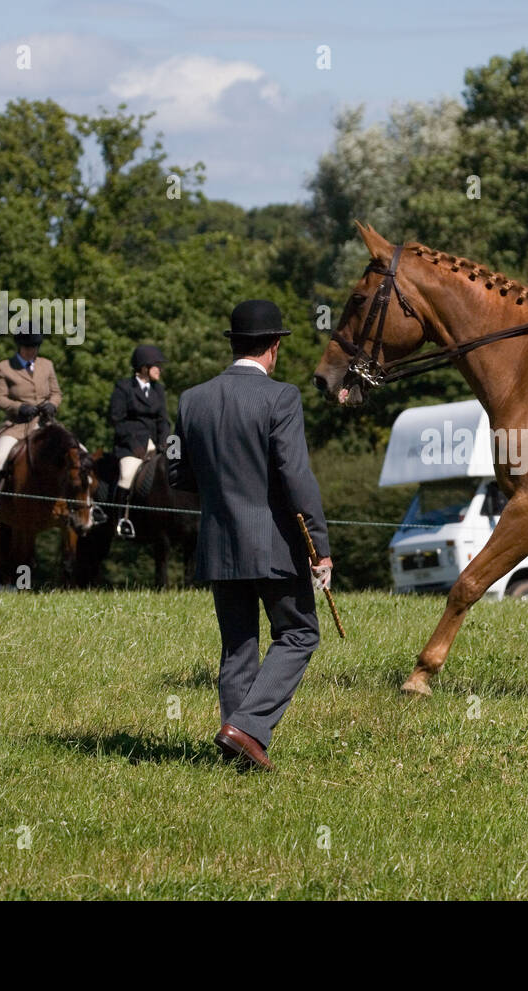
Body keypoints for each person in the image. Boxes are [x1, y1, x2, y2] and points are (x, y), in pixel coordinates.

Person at [169, 300, 332, 772]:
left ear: (234, 343)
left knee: (238, 645)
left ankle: (237, 751)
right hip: (275, 543)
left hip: (219, 541)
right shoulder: (282, 398)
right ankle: (248, 728)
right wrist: (319, 547)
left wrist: (223, 481)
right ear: (275, 347)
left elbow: (179, 474)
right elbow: (296, 477)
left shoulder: (190, 399)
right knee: (299, 633)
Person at [0, 326, 62, 526]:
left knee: (79, 451)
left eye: (35, 347)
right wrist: (18, 407)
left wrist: (52, 404)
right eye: (28, 347)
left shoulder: (47, 365)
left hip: (45, 424)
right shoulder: (4, 368)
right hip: (17, 426)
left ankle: (86, 505)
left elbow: (56, 392)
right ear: (19, 346)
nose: (32, 351)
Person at [108, 344, 171, 539]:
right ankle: (120, 520)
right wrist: (132, 443)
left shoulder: (158, 390)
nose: (159, 370)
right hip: (130, 445)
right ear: (144, 367)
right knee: (126, 475)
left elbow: (163, 420)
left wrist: (164, 441)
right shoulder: (124, 387)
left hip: (154, 443)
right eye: (156, 366)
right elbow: (115, 419)